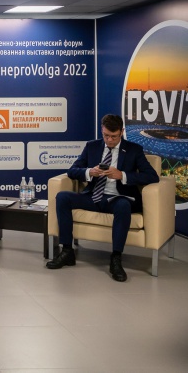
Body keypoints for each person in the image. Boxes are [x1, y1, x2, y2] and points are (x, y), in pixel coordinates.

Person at [46, 113, 159, 281]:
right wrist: (89, 172)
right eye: (106, 135)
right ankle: (67, 251)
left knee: (123, 206)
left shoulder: (134, 150)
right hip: (94, 196)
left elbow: (152, 176)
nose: (110, 140)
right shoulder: (92, 146)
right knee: (62, 197)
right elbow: (72, 171)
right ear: (102, 130)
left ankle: (116, 258)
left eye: (114, 136)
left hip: (118, 198)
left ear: (121, 132)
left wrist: (122, 175)